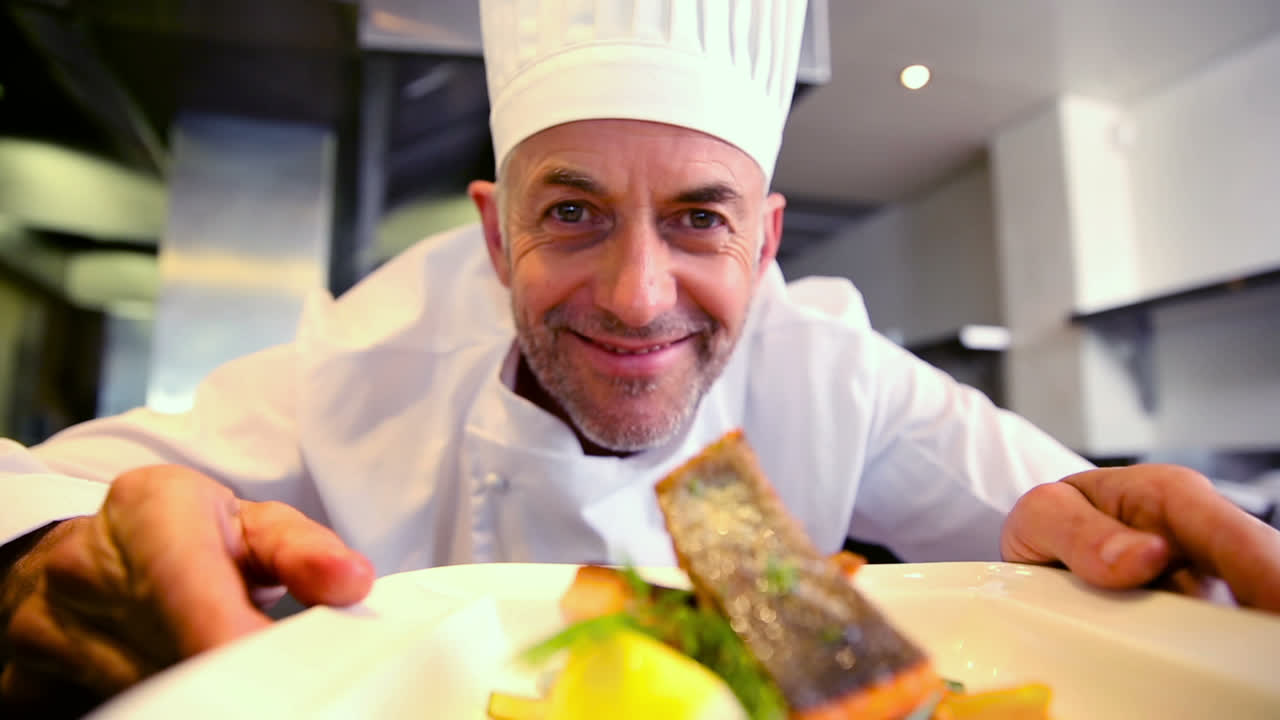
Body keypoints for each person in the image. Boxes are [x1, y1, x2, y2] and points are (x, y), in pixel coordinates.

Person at [2, 0, 1279, 714]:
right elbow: (38, 494)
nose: (634, 296)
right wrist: (44, 562)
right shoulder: (363, 365)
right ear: (495, 236)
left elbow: (1062, 527)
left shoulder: (828, 369)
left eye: (698, 218)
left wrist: (1133, 532)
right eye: (569, 212)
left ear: (765, 237)